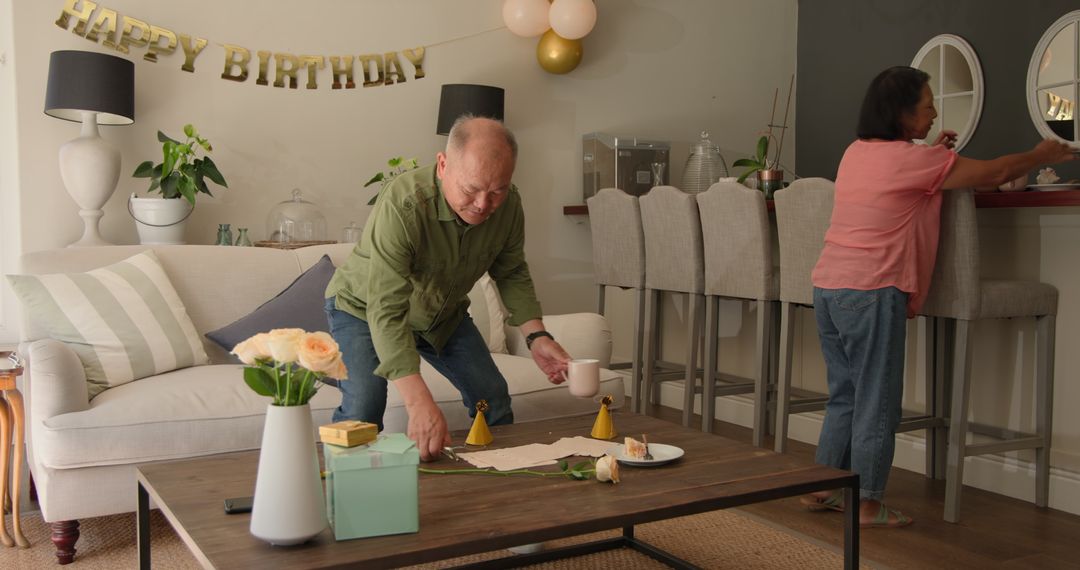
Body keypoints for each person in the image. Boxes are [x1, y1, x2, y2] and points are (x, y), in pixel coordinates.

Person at [802, 66, 1076, 528]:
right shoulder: (915, 161)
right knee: (877, 399)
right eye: (927, 104)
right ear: (902, 115)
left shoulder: (856, 153)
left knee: (846, 394)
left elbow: (901, 176)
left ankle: (822, 486)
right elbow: (998, 173)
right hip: (872, 290)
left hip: (829, 287)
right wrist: (1040, 153)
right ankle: (867, 502)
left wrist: (933, 154)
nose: (934, 111)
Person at [324, 115, 572, 461]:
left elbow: (511, 270)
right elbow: (386, 308)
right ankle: (340, 496)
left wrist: (536, 336)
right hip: (364, 310)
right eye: (471, 189)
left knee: (492, 396)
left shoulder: (510, 206)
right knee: (364, 406)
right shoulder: (404, 204)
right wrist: (418, 403)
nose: (484, 204)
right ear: (443, 166)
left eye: (497, 190)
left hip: (441, 315)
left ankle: (498, 485)